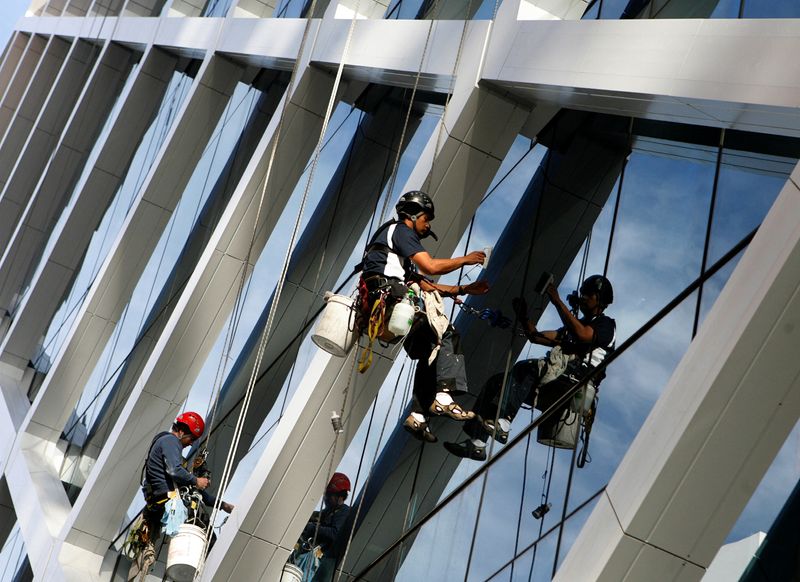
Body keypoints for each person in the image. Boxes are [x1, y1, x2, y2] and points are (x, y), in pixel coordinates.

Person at [359, 190, 489, 443]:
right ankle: (442, 395)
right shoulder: (401, 230)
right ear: (413, 214)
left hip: (388, 304)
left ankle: (418, 415)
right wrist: (466, 260)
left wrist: (463, 290)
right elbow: (428, 266)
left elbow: (426, 283)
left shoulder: (394, 254)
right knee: (447, 334)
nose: (427, 225)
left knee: (431, 349)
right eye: (426, 218)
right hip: (392, 299)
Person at [445, 275, 616, 461]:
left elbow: (583, 335)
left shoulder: (605, 325)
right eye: (582, 294)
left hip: (575, 383)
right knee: (498, 383)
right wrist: (523, 316)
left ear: (599, 300)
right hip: (557, 382)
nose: (583, 297)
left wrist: (557, 300)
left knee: (525, 368)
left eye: (588, 295)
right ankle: (477, 443)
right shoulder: (573, 328)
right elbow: (537, 337)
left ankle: (503, 422)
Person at [132, 412, 233, 580]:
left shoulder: (168, 449)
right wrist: (196, 480)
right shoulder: (171, 441)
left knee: (196, 507)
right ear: (182, 431)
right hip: (168, 501)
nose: (191, 443)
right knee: (206, 532)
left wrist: (222, 505)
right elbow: (175, 471)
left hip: (163, 502)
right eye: (191, 438)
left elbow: (195, 491)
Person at [299, 472, 352, 582]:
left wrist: (312, 528)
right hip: (314, 559)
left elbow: (335, 533)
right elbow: (313, 518)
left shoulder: (343, 512)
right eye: (326, 494)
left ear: (340, 496)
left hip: (323, 561)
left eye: (329, 494)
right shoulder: (327, 512)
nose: (326, 498)